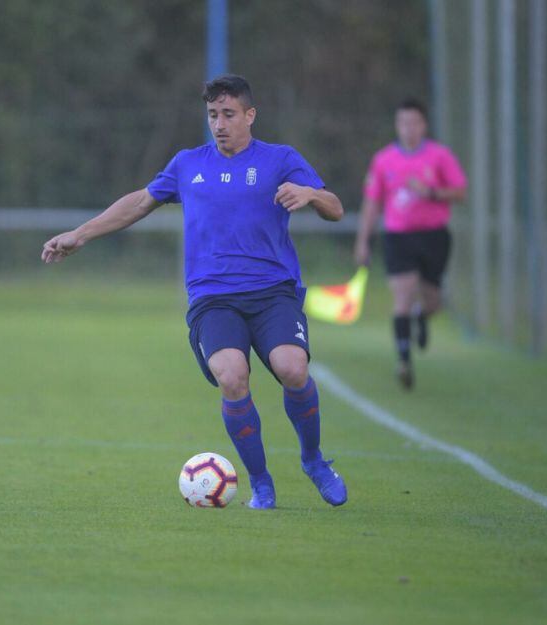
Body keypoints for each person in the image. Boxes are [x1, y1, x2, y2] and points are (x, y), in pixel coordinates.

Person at [42, 74, 347, 509]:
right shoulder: (188, 164)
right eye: (212, 115)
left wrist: (311, 194)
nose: (219, 124)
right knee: (231, 375)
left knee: (292, 368)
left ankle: (314, 461)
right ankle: (261, 483)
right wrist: (80, 234)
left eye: (228, 114)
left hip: (272, 293)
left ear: (250, 115)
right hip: (213, 298)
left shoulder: (281, 159)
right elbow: (138, 202)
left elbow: (335, 208)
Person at [354, 98, 467, 390]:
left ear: (423, 125)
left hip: (433, 237)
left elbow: (459, 192)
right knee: (401, 298)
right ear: (397, 125)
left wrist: (430, 192)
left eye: (414, 122)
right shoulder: (383, 160)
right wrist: (363, 241)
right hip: (398, 237)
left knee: (433, 302)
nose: (408, 129)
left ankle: (422, 315)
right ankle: (404, 360)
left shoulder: (439, 156)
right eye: (403, 123)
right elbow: (372, 202)